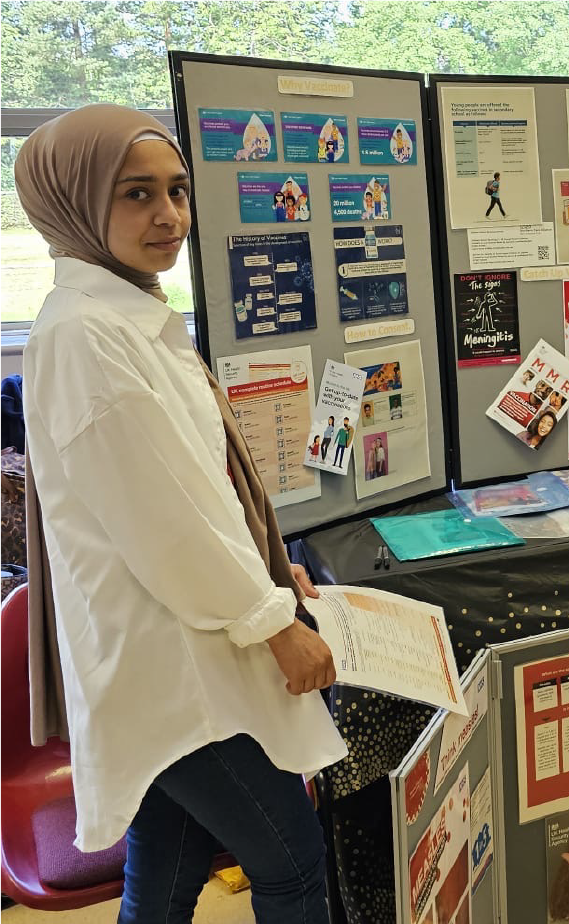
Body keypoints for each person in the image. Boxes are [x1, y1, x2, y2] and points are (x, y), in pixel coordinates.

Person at [16, 104, 345, 922]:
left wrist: (269, 568)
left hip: (183, 649)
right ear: (74, 204)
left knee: (167, 872)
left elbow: (197, 485)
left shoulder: (129, 316)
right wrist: (274, 621)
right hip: (173, 664)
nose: (168, 215)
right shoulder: (87, 334)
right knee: (292, 861)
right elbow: (164, 522)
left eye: (177, 190)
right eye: (136, 194)